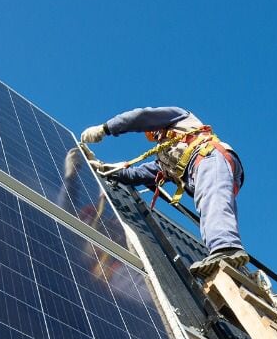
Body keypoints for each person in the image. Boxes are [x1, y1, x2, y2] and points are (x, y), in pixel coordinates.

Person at [80, 108, 246, 276]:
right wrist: (99, 166)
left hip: (208, 157)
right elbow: (137, 175)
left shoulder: (180, 117)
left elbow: (140, 116)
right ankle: (232, 262)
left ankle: (225, 248)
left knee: (212, 199)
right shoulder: (164, 159)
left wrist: (106, 128)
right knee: (210, 205)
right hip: (209, 170)